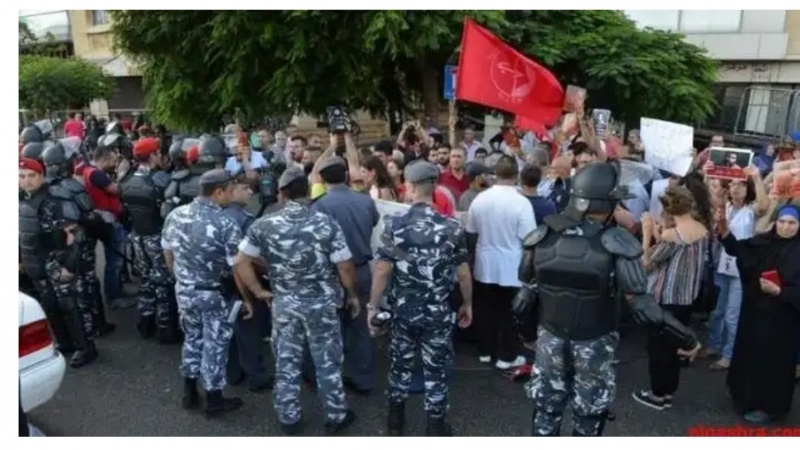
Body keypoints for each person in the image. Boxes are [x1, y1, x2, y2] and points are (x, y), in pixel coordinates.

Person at [514, 161, 701, 436]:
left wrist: (527, 333)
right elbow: (642, 305)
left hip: (550, 338)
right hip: (593, 343)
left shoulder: (542, 235)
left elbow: (523, 299)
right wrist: (687, 338)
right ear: (607, 204)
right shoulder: (617, 242)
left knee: (546, 410)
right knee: (589, 417)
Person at [234, 167, 358, 436]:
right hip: (322, 305)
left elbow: (241, 261)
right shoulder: (325, 223)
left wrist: (258, 292)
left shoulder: (264, 224)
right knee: (327, 361)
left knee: (287, 362)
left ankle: (288, 417)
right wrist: (352, 294)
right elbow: (345, 266)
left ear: (282, 193)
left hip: (285, 304)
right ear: (309, 192)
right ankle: (336, 415)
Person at [368, 160, 473, 436]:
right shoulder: (451, 226)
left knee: (400, 364)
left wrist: (373, 306)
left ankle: (395, 423)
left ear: (411, 187)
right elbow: (463, 272)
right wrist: (467, 303)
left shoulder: (394, 224)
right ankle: (435, 427)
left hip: (403, 311)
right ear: (434, 187)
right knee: (435, 369)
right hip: (437, 312)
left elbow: (382, 269)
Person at [162, 169, 247, 417]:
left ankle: (189, 392)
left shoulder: (176, 214)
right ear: (218, 192)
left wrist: (180, 278)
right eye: (230, 190)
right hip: (213, 293)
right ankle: (214, 400)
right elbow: (237, 267)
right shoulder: (226, 222)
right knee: (215, 344)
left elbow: (168, 252)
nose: (232, 194)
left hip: (185, 291)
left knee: (192, 338)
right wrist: (246, 297)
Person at [716, 204, 800, 424]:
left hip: (783, 320)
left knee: (773, 363)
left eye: (792, 223)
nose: (785, 227)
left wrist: (780, 291)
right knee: (749, 354)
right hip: (755, 313)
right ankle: (741, 394)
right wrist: (724, 230)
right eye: (781, 221)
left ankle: (768, 407)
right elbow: (740, 250)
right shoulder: (765, 242)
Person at [632, 187, 709, 410]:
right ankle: (668, 392)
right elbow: (673, 254)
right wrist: (660, 234)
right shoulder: (702, 230)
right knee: (675, 344)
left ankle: (657, 395)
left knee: (658, 348)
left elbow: (645, 264)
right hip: (687, 298)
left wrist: (647, 235)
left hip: (664, 297)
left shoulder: (672, 236)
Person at [20, 157, 98, 367]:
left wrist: (69, 266)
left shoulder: (55, 199)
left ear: (42, 176)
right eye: (21, 176)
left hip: (58, 261)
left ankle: (86, 348)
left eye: (31, 176)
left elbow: (76, 234)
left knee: (71, 307)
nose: (26, 181)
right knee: (50, 307)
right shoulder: (22, 200)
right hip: (37, 263)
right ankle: (65, 344)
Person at [311, 156, 380, 395]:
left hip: (331, 273)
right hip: (361, 268)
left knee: (332, 328)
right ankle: (363, 377)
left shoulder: (320, 205)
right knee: (360, 326)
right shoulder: (365, 201)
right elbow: (373, 223)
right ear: (347, 176)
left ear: (321, 178)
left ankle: (333, 379)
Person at [42, 140, 116, 339]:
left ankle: (89, 329)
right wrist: (105, 232)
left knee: (72, 291)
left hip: (57, 250)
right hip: (79, 245)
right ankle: (96, 326)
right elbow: (87, 216)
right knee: (87, 285)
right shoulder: (71, 187)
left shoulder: (44, 188)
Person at [120, 137, 180, 344]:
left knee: (146, 280)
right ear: (153, 155)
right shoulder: (160, 179)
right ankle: (167, 329)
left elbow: (123, 212)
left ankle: (145, 324)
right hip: (157, 236)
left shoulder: (126, 180)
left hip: (137, 236)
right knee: (163, 282)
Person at [223, 175, 273, 392]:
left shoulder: (220, 216)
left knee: (232, 328)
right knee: (250, 328)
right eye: (245, 189)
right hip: (244, 280)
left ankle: (233, 372)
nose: (250, 192)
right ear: (232, 192)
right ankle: (257, 375)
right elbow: (248, 257)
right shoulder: (243, 219)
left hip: (223, 280)